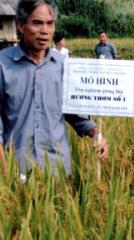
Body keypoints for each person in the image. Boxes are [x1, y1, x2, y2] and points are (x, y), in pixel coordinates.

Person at [0, 0, 109, 175]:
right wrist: (5, 172)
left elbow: (75, 113)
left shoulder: (63, 65)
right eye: (37, 23)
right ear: (20, 25)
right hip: (16, 168)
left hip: (56, 169)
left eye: (50, 23)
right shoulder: (2, 65)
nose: (45, 31)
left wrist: (96, 133)